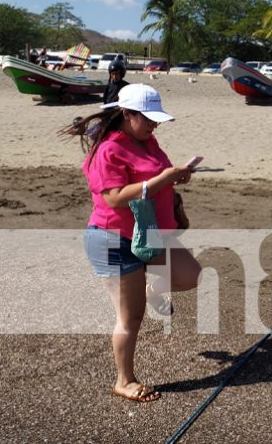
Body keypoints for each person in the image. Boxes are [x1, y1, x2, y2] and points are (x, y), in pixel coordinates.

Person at [64, 83, 202, 403]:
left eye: (156, 119)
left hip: (148, 232)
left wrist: (176, 186)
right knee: (131, 318)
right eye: (149, 118)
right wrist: (164, 179)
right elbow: (113, 198)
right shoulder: (109, 148)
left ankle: (152, 290)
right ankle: (124, 380)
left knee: (190, 274)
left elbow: (159, 177)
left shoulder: (148, 140)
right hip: (112, 239)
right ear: (126, 114)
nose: (155, 125)